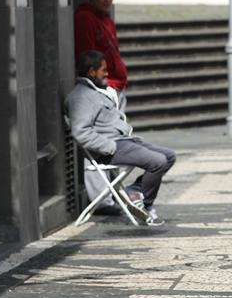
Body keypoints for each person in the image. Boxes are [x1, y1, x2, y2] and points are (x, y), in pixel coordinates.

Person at [66, 50, 175, 226]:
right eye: (103, 70)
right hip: (112, 147)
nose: (107, 73)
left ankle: (134, 192)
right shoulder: (80, 97)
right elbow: (81, 132)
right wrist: (110, 147)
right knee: (158, 162)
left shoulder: (96, 91)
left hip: (124, 141)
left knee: (169, 156)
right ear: (91, 72)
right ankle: (144, 206)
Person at [74, 0, 128, 107]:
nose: (107, 0)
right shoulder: (85, 18)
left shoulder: (107, 19)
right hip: (103, 89)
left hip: (116, 86)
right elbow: (86, 56)